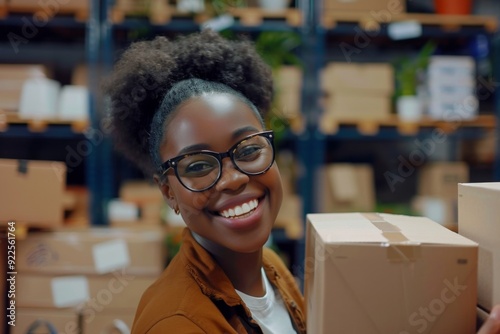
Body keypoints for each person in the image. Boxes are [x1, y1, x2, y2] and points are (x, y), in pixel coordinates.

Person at [103, 30, 500, 333]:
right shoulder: (179, 322)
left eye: (248, 149)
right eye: (198, 166)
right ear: (168, 191)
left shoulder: (271, 269)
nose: (234, 179)